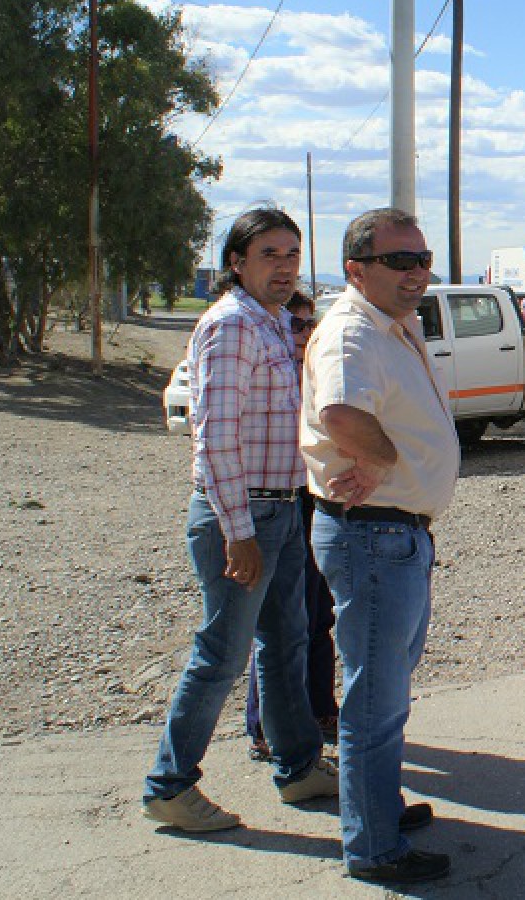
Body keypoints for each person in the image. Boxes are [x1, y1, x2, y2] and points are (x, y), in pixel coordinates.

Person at [141, 208, 336, 833]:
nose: (284, 267)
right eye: (269, 255)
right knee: (222, 653)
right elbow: (215, 440)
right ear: (236, 262)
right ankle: (170, 786)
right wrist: (238, 532)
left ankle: (298, 766)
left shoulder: (274, 321)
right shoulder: (231, 326)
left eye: (291, 254)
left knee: (286, 644)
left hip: (278, 506)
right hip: (242, 512)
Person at [302, 208, 460, 885]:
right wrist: (386, 459)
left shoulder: (391, 325)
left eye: (422, 258)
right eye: (400, 261)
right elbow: (340, 412)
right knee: (373, 699)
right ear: (356, 269)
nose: (417, 271)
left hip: (396, 534)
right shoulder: (352, 332)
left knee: (387, 691)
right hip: (373, 535)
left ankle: (380, 809)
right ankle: (372, 847)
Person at [244, 291, 340, 760]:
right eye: (295, 325)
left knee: (319, 615)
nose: (303, 334)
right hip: (278, 505)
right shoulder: (270, 378)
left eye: (308, 325)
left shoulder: (317, 373)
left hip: (315, 504)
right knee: (280, 626)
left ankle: (321, 710)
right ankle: (266, 728)